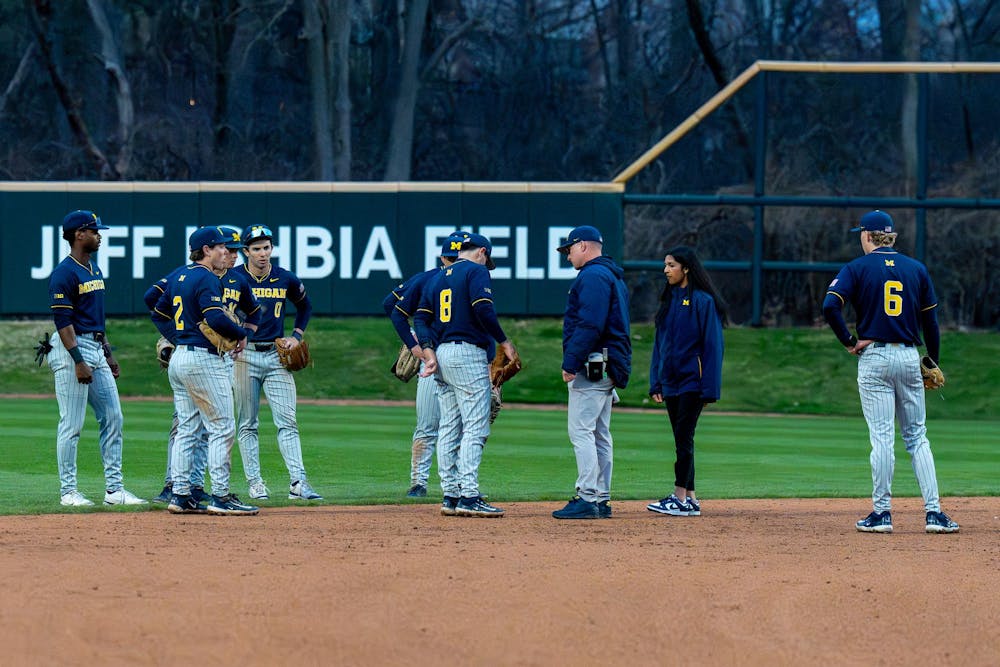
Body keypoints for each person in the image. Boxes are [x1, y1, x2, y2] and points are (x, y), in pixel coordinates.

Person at [822, 210, 959, 534]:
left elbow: (830, 306)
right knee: (917, 437)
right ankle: (934, 513)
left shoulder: (857, 268)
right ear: (891, 236)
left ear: (868, 236)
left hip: (875, 357)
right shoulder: (916, 269)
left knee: (883, 437)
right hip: (910, 356)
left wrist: (849, 341)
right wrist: (932, 362)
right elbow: (931, 323)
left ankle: (882, 514)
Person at [151, 226, 258, 515]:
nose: (225, 251)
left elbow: (157, 307)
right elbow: (214, 317)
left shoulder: (180, 275)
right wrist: (239, 334)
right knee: (222, 427)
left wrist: (177, 336)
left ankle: (181, 494)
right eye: (220, 246)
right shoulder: (207, 277)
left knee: (187, 428)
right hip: (204, 361)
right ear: (206, 250)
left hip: (181, 358)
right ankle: (221, 496)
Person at [44, 210, 146, 507]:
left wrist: (108, 354)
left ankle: (114, 490)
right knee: (72, 424)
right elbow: (63, 323)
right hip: (71, 350)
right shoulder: (64, 273)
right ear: (79, 234)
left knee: (114, 417)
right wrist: (78, 360)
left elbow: (96, 319)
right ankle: (68, 492)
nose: (99, 235)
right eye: (93, 230)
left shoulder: (93, 269)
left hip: (96, 348)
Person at [414, 233, 517, 518]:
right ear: (481, 251)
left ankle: (451, 494)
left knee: (449, 425)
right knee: (475, 425)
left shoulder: (437, 277)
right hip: (467, 354)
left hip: (443, 354)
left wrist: (428, 350)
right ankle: (469, 494)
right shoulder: (476, 270)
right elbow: (482, 307)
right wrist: (504, 341)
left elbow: (420, 318)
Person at [234, 224, 322, 502]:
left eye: (266, 247)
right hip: (243, 356)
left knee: (288, 421)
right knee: (248, 423)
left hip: (275, 356)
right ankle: (255, 483)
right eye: (256, 248)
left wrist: (296, 336)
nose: (263, 253)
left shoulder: (285, 278)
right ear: (245, 251)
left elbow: (305, 306)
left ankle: (299, 481)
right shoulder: (233, 278)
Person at [551, 226, 631, 520]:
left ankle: (587, 497)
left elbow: (590, 325)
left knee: (582, 430)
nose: (568, 255)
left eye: (569, 249)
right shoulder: (610, 275)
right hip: (608, 359)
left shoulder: (593, 276)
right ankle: (601, 497)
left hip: (595, 360)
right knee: (599, 433)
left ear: (583, 246)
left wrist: (571, 362)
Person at [381, 231, 465, 497]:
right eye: (451, 257)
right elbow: (391, 306)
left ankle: (451, 484)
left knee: (454, 426)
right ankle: (421, 482)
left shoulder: (453, 279)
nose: (453, 261)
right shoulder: (434, 279)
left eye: (457, 257)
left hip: (456, 357)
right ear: (444, 257)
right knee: (432, 424)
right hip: (432, 356)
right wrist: (413, 344)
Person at [646, 246, 725, 517]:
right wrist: (655, 381)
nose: (666, 270)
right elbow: (660, 345)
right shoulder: (667, 301)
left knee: (683, 438)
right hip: (670, 382)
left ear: (686, 268)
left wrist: (710, 388)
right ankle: (690, 497)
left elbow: (713, 346)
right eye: (665, 265)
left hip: (693, 382)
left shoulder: (703, 302)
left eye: (671, 265)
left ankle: (679, 496)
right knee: (682, 439)